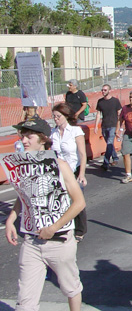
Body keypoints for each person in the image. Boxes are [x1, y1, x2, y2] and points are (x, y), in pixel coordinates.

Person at [5, 117, 85, 311]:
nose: (24, 141)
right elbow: (24, 196)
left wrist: (53, 228)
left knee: (71, 288)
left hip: (59, 240)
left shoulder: (60, 165)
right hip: (31, 241)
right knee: (25, 302)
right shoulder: (22, 167)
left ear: (42, 139)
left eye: (29, 136)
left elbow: (79, 202)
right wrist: (11, 219)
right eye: (22, 136)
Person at [51, 103, 88, 242]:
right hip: (59, 171)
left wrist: (82, 173)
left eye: (58, 116)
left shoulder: (75, 131)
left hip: (74, 169)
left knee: (76, 199)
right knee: (61, 200)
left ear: (66, 116)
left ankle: (80, 230)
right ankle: (63, 227)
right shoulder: (53, 133)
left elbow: (82, 154)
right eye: (54, 116)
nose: (55, 119)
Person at [94, 84, 122, 171]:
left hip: (113, 125)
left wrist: (119, 126)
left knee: (110, 142)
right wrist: (96, 126)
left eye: (105, 90)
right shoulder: (100, 102)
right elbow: (98, 114)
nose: (103, 92)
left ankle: (105, 163)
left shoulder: (115, 101)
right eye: (102, 90)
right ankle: (115, 157)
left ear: (110, 91)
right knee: (109, 144)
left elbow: (119, 114)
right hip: (104, 125)